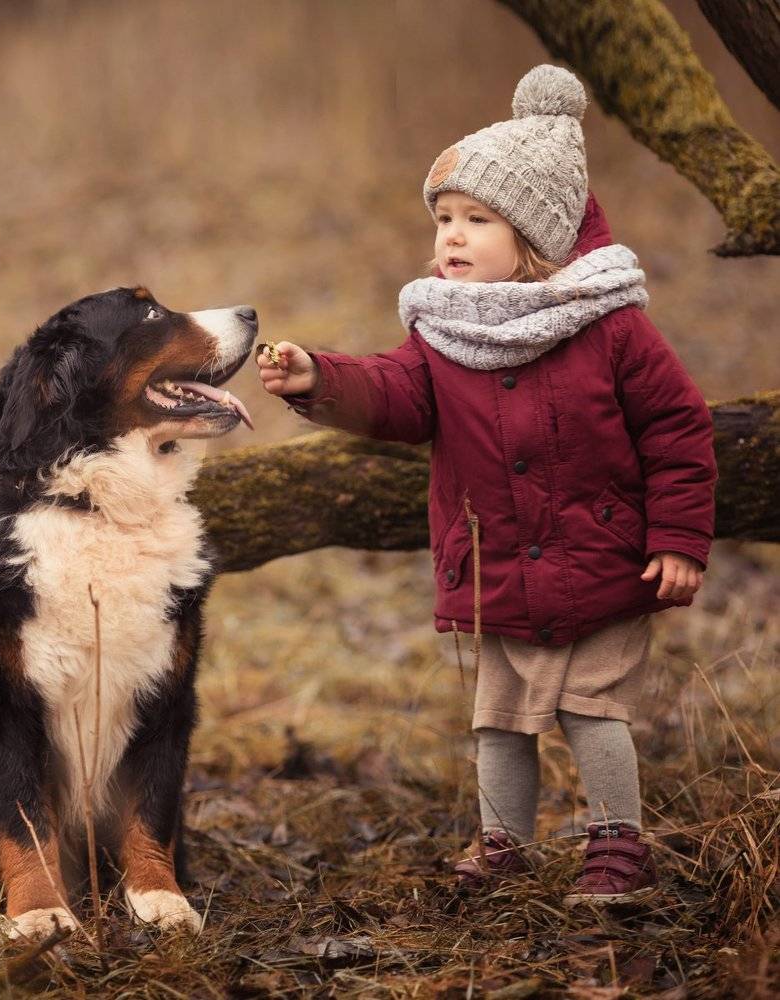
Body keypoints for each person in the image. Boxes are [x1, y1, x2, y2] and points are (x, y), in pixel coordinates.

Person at [255, 65, 716, 905]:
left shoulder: (611, 327)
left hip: (605, 559)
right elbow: (393, 394)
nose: (450, 239)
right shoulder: (443, 330)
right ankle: (503, 842)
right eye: (443, 220)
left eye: (476, 220)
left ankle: (619, 842)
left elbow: (678, 429)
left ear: (537, 237)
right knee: (498, 717)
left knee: (592, 706)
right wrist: (317, 376)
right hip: (496, 564)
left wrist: (679, 539)